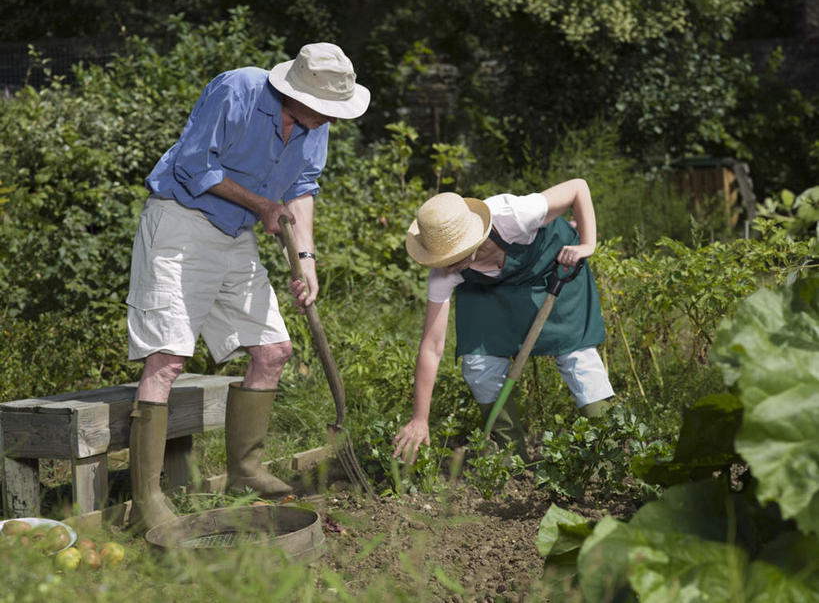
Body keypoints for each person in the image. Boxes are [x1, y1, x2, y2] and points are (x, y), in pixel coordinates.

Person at [126, 43, 369, 530]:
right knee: (167, 359)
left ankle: (245, 470)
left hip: (235, 236)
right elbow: (193, 166)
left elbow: (302, 189)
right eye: (324, 110)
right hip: (179, 225)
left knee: (274, 350)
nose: (330, 121)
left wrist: (306, 257)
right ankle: (147, 499)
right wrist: (261, 204)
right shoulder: (237, 90)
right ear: (293, 92)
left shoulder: (315, 127)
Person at [392, 180, 615, 465]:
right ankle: (514, 459)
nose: (445, 266)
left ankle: (610, 450)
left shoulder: (513, 215)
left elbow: (578, 188)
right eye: (439, 258)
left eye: (452, 256)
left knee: (576, 356)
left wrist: (587, 244)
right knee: (477, 364)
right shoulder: (444, 273)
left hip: (555, 267)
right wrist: (419, 419)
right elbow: (432, 346)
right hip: (490, 290)